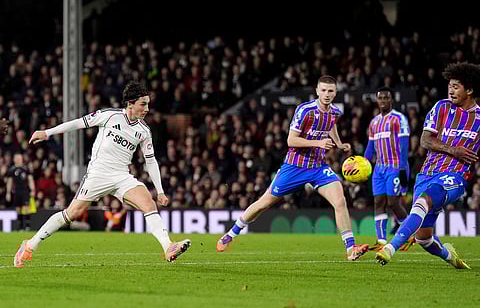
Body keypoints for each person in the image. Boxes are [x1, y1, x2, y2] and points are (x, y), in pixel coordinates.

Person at [14, 81, 191, 268]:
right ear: (130, 103)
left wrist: (160, 190)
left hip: (121, 176)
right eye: (143, 104)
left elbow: (150, 160)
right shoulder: (109, 116)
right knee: (72, 213)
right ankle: (30, 244)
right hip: (98, 174)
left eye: (147, 104)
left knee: (149, 202)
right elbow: (78, 123)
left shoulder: (144, 131)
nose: (147, 108)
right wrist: (47, 133)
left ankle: (168, 247)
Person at [217, 75, 369, 260]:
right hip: (295, 166)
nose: (327, 94)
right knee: (264, 203)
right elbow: (291, 140)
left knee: (340, 201)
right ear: (317, 91)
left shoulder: (334, 112)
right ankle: (230, 235)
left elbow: (330, 126)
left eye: (330, 91)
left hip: (318, 167)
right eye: (323, 90)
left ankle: (350, 248)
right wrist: (318, 143)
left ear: (336, 92)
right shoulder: (305, 110)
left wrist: (339, 142)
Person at [376, 62, 480, 269]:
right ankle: (450, 257)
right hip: (427, 173)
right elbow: (425, 140)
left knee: (424, 201)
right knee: (424, 238)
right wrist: (454, 150)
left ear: (469, 90)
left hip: (455, 177)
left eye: (456, 86)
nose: (450, 90)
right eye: (449, 85)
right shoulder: (442, 107)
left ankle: (391, 247)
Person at [364, 87, 415, 251]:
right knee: (378, 202)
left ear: (391, 100)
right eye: (380, 98)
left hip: (395, 166)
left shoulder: (399, 119)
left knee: (393, 203)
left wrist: (403, 168)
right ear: (377, 100)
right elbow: (370, 148)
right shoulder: (373, 122)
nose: (383, 101)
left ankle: (408, 234)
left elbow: (404, 145)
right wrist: (362, 164)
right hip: (379, 168)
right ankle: (381, 241)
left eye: (386, 98)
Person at [6, 153, 36, 231]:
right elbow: (9, 182)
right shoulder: (12, 170)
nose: (18, 160)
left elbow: (30, 179)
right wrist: (8, 192)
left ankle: (27, 225)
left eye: (19, 158)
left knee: (26, 208)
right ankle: (20, 226)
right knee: (18, 209)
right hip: (17, 192)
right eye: (17, 158)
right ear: (14, 159)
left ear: (22, 159)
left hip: (25, 191)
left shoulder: (25, 169)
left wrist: (33, 190)